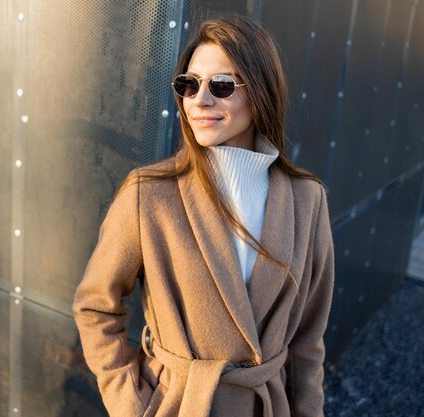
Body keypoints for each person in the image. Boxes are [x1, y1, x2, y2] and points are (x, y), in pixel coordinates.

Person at [72, 15, 334, 417]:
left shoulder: (307, 200)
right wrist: (132, 405)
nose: (200, 100)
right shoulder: (150, 194)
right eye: (188, 85)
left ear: (261, 93)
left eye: (222, 86)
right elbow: (96, 307)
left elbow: (307, 341)